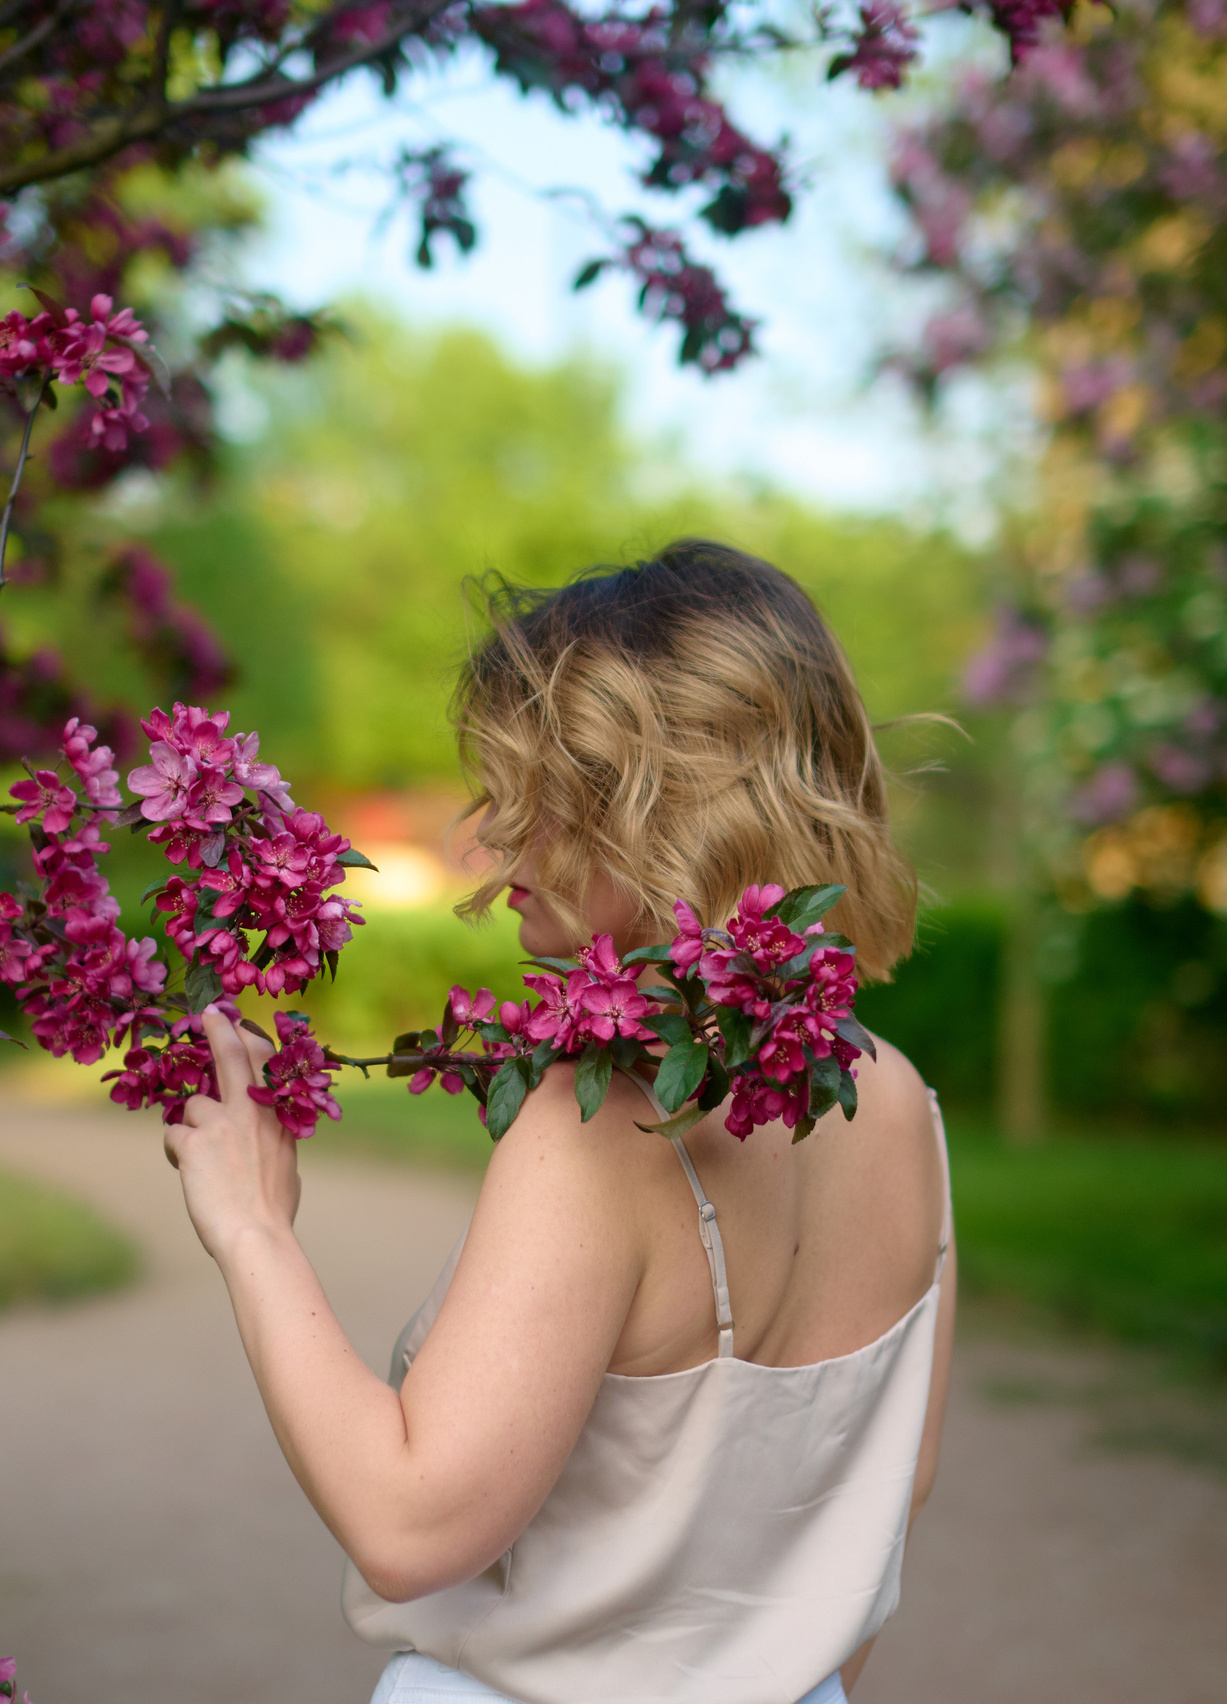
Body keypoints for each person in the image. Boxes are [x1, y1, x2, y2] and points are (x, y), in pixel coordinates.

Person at [163, 540, 956, 1704]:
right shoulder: (895, 1100)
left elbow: (411, 1522)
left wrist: (253, 1230)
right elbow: (891, 1493)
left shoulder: (601, 1130)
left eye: (534, 796)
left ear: (657, 814)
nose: (489, 838)